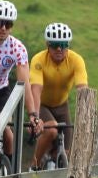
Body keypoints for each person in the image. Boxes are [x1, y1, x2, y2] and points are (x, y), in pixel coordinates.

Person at [29, 22, 89, 169]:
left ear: (68, 45)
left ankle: (55, 163)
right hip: (42, 104)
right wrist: (35, 116)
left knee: (67, 153)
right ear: (47, 45)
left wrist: (85, 117)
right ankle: (34, 166)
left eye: (63, 45)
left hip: (62, 105)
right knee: (51, 130)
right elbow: (35, 89)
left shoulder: (76, 60)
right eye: (55, 45)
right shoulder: (39, 59)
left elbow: (83, 90)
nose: (59, 49)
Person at [0, 0, 36, 161]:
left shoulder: (17, 48)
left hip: (0, 91)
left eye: (8, 24)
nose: (3, 28)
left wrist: (32, 113)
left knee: (6, 131)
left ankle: (8, 169)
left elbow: (24, 83)